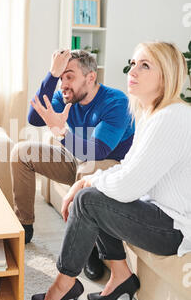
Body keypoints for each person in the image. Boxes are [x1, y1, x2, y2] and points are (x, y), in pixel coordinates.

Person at [31, 41, 191, 300]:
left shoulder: (171, 117)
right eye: (133, 63)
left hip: (175, 228)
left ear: (166, 75)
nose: (132, 70)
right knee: (93, 191)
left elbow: (122, 181)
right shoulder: (152, 114)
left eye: (145, 65)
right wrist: (52, 75)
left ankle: (64, 282)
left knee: (88, 199)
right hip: (158, 211)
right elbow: (128, 166)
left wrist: (85, 181)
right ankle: (121, 276)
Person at [11, 49, 135, 280]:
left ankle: (89, 248)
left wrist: (60, 131)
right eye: (61, 77)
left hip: (112, 165)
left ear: (90, 78)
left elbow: (97, 152)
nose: (63, 84)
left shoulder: (116, 102)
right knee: (21, 152)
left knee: (89, 166)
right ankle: (25, 225)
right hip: (77, 158)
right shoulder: (66, 96)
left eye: (69, 76)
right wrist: (52, 74)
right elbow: (34, 118)